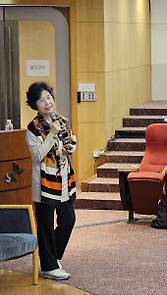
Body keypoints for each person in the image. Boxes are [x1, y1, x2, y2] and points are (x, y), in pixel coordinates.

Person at [25, 82, 77, 280]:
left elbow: (69, 142)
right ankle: (49, 266)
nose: (47, 102)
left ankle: (51, 258)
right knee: (45, 225)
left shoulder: (62, 120)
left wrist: (70, 148)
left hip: (64, 180)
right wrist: (52, 134)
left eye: (49, 97)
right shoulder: (33, 128)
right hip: (44, 184)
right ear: (34, 105)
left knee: (69, 220)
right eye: (41, 100)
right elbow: (37, 155)